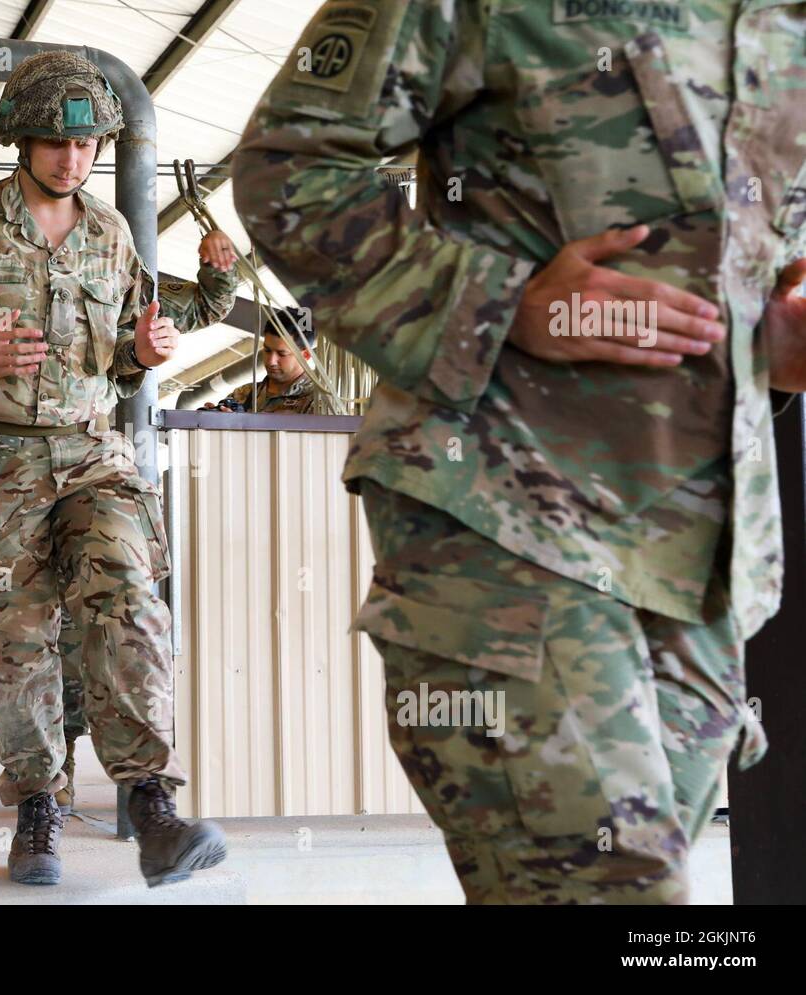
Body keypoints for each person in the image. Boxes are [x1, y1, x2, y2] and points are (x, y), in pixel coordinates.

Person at [231, 0, 803, 903]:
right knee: (621, 897)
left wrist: (771, 336)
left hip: (701, 565)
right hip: (505, 515)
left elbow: (761, 258)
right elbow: (288, 170)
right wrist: (500, 304)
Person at [0, 50, 228, 887]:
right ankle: (38, 803)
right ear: (21, 141)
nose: (75, 159)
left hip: (92, 453)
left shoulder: (110, 232)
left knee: (130, 595)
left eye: (90, 145)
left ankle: (148, 801)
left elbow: (129, 356)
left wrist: (144, 352)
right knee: (22, 636)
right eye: (57, 143)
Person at [55, 229, 242, 814]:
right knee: (44, 634)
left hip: (92, 468)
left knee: (117, 616)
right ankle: (51, 774)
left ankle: (144, 789)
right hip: (17, 475)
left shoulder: (123, 284)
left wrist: (218, 268)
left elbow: (206, 306)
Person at [202, 322, 335, 415]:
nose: (271, 361)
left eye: (282, 354)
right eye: (267, 350)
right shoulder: (244, 394)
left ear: (305, 355)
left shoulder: (320, 400)